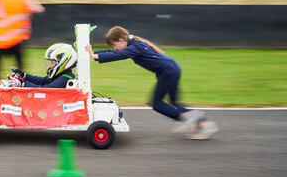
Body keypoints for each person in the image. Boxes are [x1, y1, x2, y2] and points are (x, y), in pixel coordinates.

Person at [84, 26, 219, 140]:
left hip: (168, 71)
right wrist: (93, 53)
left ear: (121, 40)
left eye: (114, 45)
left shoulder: (135, 46)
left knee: (156, 104)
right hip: (171, 69)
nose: (115, 48)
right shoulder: (133, 44)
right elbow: (113, 53)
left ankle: (191, 118)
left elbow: (119, 55)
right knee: (175, 104)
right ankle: (201, 123)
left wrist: (95, 56)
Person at [1, 43, 76, 88]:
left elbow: (44, 89)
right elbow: (42, 81)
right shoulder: (62, 74)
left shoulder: (64, 78)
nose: (50, 66)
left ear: (64, 63)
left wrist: (22, 83)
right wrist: (24, 75)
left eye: (52, 63)